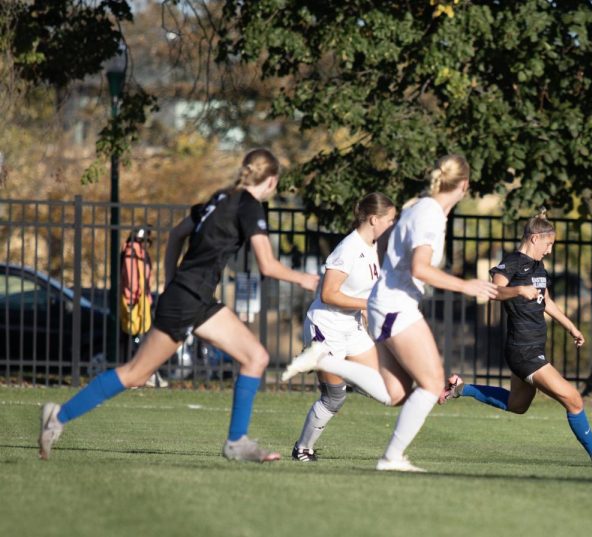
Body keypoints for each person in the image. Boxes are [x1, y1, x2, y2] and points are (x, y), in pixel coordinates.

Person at [38, 148, 320, 462]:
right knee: (135, 374)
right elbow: (267, 265)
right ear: (270, 181)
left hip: (196, 299)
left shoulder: (220, 198)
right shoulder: (250, 206)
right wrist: (304, 280)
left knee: (256, 356)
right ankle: (58, 417)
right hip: (187, 299)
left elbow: (176, 234)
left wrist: (173, 280)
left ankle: (236, 442)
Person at [442, 211, 592, 468]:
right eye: (548, 244)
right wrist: (518, 290)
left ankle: (462, 388)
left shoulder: (539, 267)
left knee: (517, 405)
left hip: (533, 347)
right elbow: (493, 291)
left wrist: (571, 326)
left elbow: (546, 300)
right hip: (523, 350)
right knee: (573, 399)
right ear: (535, 238)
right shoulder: (512, 263)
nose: (549, 250)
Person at [368, 154, 497, 472]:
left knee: (397, 392)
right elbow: (420, 268)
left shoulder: (420, 208)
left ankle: (331, 361)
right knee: (432, 382)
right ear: (464, 185)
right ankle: (392, 458)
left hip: (389, 303)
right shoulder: (430, 214)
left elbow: (391, 249)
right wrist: (465, 286)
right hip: (395, 305)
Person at [279, 192, 408, 462]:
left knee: (388, 390)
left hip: (351, 327)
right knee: (334, 398)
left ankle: (340, 372)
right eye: (390, 219)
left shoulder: (374, 247)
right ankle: (303, 448)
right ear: (374, 219)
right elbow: (328, 294)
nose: (393, 225)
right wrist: (367, 303)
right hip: (326, 326)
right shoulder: (348, 249)